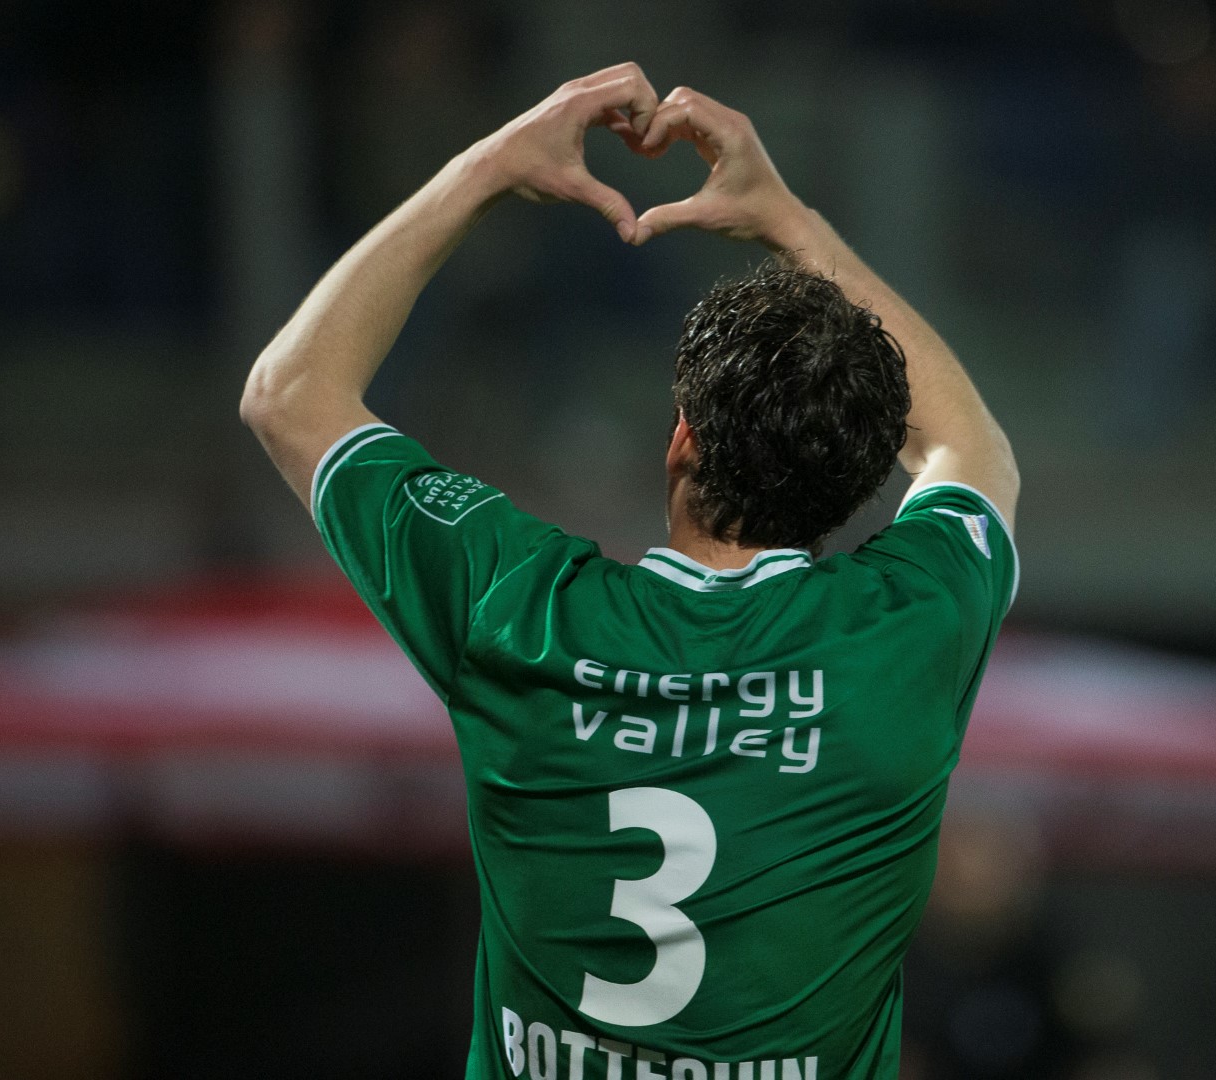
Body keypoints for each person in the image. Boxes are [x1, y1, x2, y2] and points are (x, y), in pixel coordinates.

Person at [242, 63, 1019, 1080]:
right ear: (857, 482)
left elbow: (289, 394)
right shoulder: (908, 633)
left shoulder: (517, 609)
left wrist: (485, 169)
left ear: (680, 440)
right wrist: (789, 221)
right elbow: (965, 445)